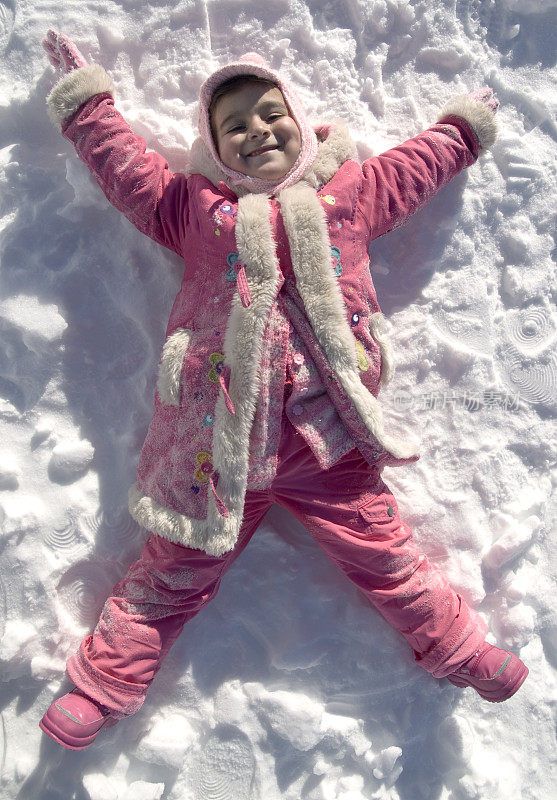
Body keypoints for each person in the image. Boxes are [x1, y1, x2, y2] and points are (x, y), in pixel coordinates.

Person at [39, 29, 528, 752]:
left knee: (386, 556)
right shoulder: (196, 211)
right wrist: (87, 106)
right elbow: (126, 169)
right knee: (172, 570)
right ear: (213, 148)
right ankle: (101, 687)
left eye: (271, 115)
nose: (256, 131)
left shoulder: (350, 193)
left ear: (299, 125)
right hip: (217, 449)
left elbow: (417, 167)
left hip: (327, 438)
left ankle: (460, 651)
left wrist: (460, 129)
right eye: (233, 126)